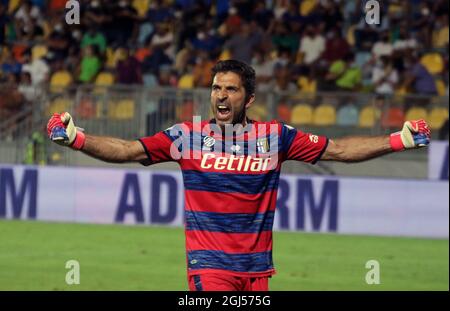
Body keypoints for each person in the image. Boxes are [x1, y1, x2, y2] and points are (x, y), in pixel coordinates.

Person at [46, 60, 431, 291]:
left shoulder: (275, 137)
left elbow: (340, 151)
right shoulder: (187, 135)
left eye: (231, 89)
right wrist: (77, 138)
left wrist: (399, 138)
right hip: (209, 266)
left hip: (257, 271)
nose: (221, 96)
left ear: (248, 99)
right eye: (216, 88)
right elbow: (129, 150)